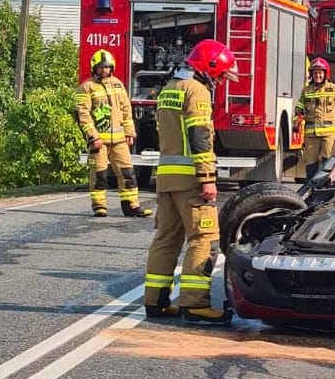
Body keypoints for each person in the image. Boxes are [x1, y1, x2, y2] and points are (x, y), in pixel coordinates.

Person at [143, 39, 238, 323]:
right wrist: (207, 177)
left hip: (167, 178)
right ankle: (195, 304)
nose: (220, 81)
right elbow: (200, 136)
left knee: (166, 239)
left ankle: (155, 301)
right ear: (209, 68)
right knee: (204, 239)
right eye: (220, 75)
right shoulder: (197, 91)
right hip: (191, 180)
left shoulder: (169, 89)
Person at [75, 49, 152, 218]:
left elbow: (126, 110)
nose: (104, 70)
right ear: (94, 68)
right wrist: (93, 136)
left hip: (119, 140)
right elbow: (83, 115)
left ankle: (131, 206)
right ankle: (99, 206)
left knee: (127, 173)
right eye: (101, 67)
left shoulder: (118, 85)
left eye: (107, 67)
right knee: (99, 175)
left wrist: (129, 132)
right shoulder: (86, 88)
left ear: (112, 67)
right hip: (98, 141)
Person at [294, 57, 335, 181]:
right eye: (315, 73)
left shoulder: (334, 89)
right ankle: (311, 188)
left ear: (326, 74)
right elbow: (299, 109)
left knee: (328, 162)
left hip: (329, 135)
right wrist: (296, 125)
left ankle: (325, 187)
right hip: (311, 135)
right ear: (311, 74)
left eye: (320, 73)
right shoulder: (306, 90)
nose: (318, 76)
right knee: (310, 164)